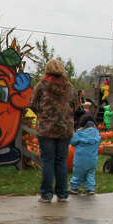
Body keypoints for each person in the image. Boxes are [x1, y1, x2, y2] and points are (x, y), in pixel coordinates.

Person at [31, 58, 75, 203]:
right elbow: (76, 103)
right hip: (65, 128)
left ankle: (46, 194)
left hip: (46, 128)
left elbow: (32, 103)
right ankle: (62, 194)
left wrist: (42, 113)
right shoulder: (68, 86)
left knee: (48, 161)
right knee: (61, 161)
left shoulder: (42, 85)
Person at [68, 111, 101, 195]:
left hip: (80, 160)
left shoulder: (79, 133)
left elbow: (72, 142)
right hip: (92, 160)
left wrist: (75, 133)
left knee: (77, 175)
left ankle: (74, 188)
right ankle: (90, 189)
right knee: (90, 174)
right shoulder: (96, 133)